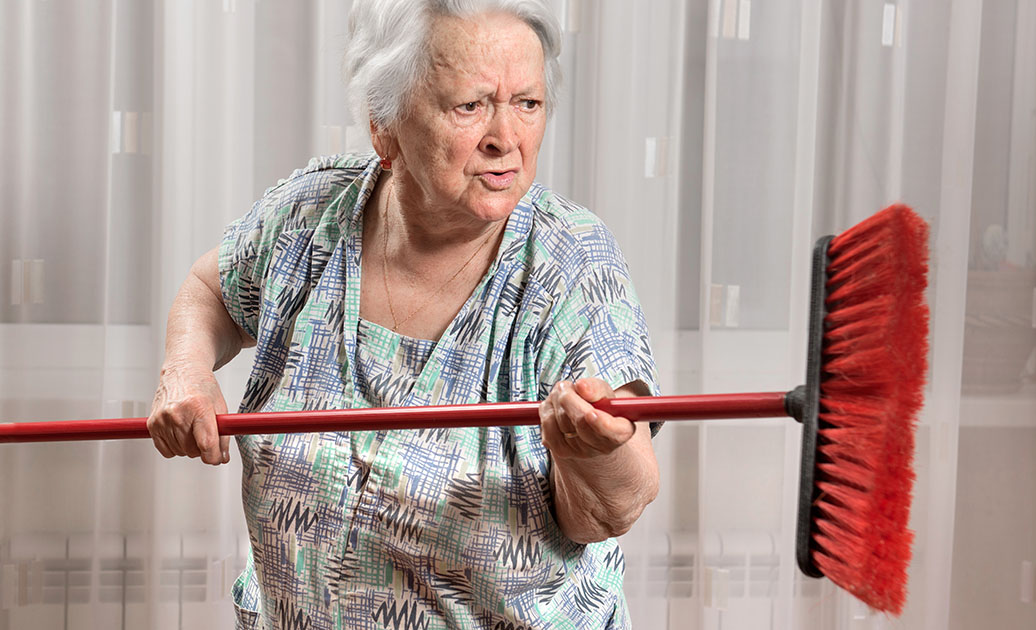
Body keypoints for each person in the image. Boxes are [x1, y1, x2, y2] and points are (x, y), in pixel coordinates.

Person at [147, 0, 661, 627]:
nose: (506, 138)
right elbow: (212, 288)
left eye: (528, 103)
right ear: (384, 127)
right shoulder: (310, 215)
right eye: (470, 106)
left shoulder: (571, 261)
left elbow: (610, 507)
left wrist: (594, 453)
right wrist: (186, 370)